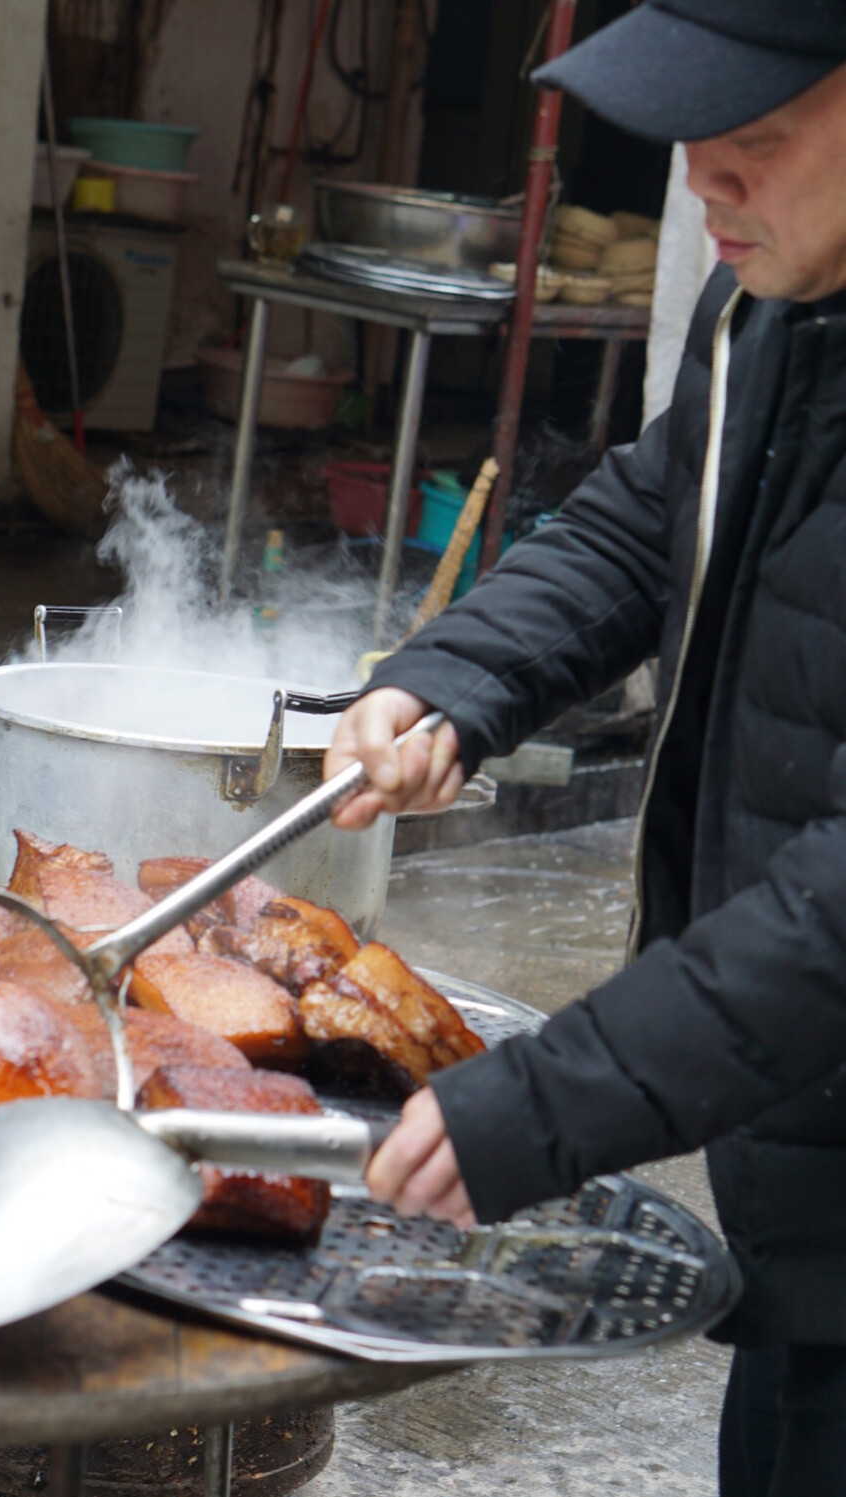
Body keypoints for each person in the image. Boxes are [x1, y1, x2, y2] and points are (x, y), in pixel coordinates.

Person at [323, 4, 846, 1492]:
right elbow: (650, 510)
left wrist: (546, 1101)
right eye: (694, 136)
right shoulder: (776, 311)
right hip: (807, 1178)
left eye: (756, 139)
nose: (706, 186)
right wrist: (459, 681)